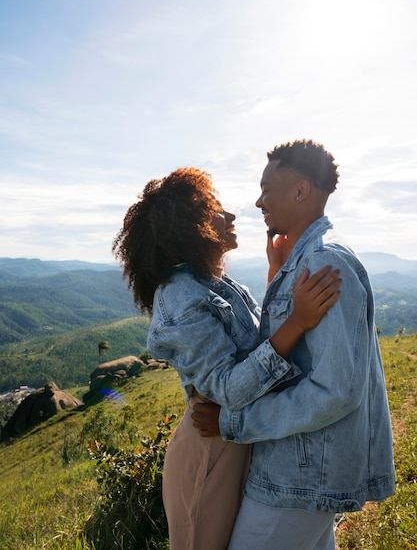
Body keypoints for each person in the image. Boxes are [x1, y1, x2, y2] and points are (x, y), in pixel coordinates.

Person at [112, 166, 341, 550]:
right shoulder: (180, 298)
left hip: (235, 436)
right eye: (214, 210)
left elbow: (252, 348)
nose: (230, 216)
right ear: (189, 227)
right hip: (209, 449)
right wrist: (298, 322)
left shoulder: (216, 283)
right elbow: (229, 389)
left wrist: (275, 271)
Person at [192, 140, 396, 550]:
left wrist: (235, 424)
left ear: (301, 190)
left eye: (267, 188)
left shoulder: (324, 263)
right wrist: (276, 271)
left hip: (300, 474)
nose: (258, 201)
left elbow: (336, 390)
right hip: (306, 466)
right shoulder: (305, 261)